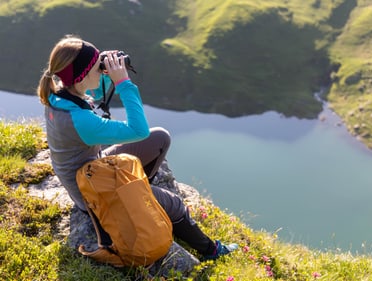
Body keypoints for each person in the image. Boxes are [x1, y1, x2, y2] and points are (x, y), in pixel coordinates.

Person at [37, 34, 237, 265]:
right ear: (81, 76)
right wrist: (123, 83)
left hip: (91, 171)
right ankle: (210, 249)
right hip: (91, 190)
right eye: (95, 67)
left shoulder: (60, 92)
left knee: (160, 138)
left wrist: (104, 69)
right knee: (173, 204)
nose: (100, 68)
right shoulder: (80, 120)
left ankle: (138, 193)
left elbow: (93, 91)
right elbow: (138, 130)